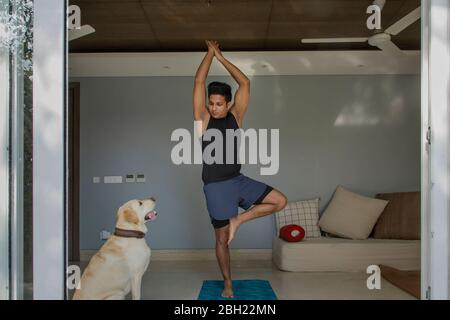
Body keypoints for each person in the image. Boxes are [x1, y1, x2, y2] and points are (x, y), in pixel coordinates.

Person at [193, 40, 287, 298]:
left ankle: (239, 220)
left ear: (228, 103)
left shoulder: (236, 117)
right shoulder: (203, 119)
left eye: (219, 103)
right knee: (221, 240)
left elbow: (245, 83)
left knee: (280, 201)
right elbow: (199, 82)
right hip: (215, 187)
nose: (214, 107)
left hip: (238, 180)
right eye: (211, 103)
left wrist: (221, 57)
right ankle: (228, 284)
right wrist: (209, 55)